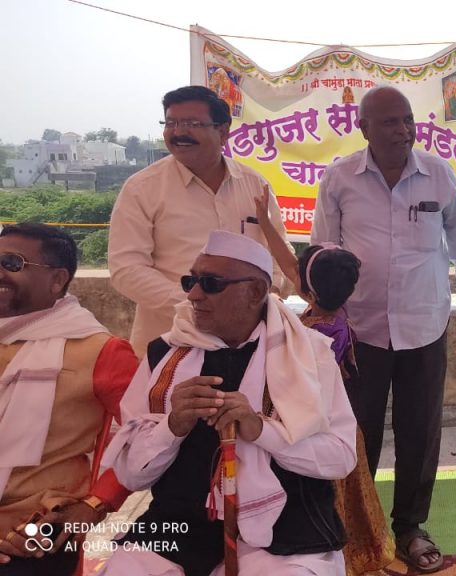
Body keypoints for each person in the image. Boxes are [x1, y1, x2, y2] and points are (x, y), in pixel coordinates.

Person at [98, 231, 357, 576]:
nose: (193, 294)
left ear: (255, 292)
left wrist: (262, 430)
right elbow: (131, 474)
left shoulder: (309, 355)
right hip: (180, 527)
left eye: (211, 283)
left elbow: (341, 457)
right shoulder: (163, 354)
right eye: (190, 281)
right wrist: (171, 427)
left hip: (287, 532)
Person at [311, 85, 456, 573]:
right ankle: (355, 529)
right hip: (358, 333)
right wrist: (324, 321)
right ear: (363, 127)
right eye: (390, 122)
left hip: (424, 326)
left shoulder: (439, 174)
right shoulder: (339, 177)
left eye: (408, 120)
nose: (403, 130)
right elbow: (321, 253)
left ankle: (410, 527)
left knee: (420, 432)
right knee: (355, 432)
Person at [255, 188, 395, 576]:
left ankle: (334, 559)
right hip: (342, 429)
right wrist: (265, 222)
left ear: (307, 288)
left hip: (315, 430)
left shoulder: (314, 333)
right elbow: (291, 265)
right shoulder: (337, 311)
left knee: (327, 501)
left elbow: (290, 268)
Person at [109, 85, 292, 357]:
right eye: (171, 123)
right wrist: (197, 304)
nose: (179, 132)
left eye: (192, 124)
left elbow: (277, 251)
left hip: (249, 343)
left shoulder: (255, 185)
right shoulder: (142, 189)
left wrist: (268, 295)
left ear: (223, 131)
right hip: (171, 343)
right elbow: (126, 269)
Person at [0, 223, 136, 576]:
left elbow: (147, 438)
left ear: (57, 279)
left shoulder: (100, 351)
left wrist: (94, 505)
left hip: (37, 527)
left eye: (11, 263)